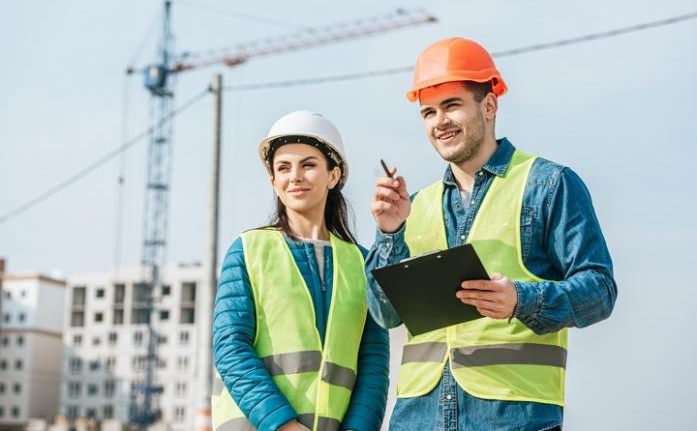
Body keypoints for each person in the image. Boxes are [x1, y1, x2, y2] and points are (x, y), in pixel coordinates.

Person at [366, 38, 617, 431]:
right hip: (418, 417)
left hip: (512, 416)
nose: (439, 122)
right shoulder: (414, 206)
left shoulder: (549, 185)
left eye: (452, 105)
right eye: (428, 112)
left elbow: (600, 291)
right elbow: (384, 314)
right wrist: (388, 232)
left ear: (489, 105)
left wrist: (522, 299)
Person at [212, 110, 389, 431]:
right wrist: (282, 423)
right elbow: (229, 347)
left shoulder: (363, 263)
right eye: (283, 168)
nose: (295, 176)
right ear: (273, 182)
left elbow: (374, 363)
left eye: (308, 165)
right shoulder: (248, 250)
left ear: (333, 176)